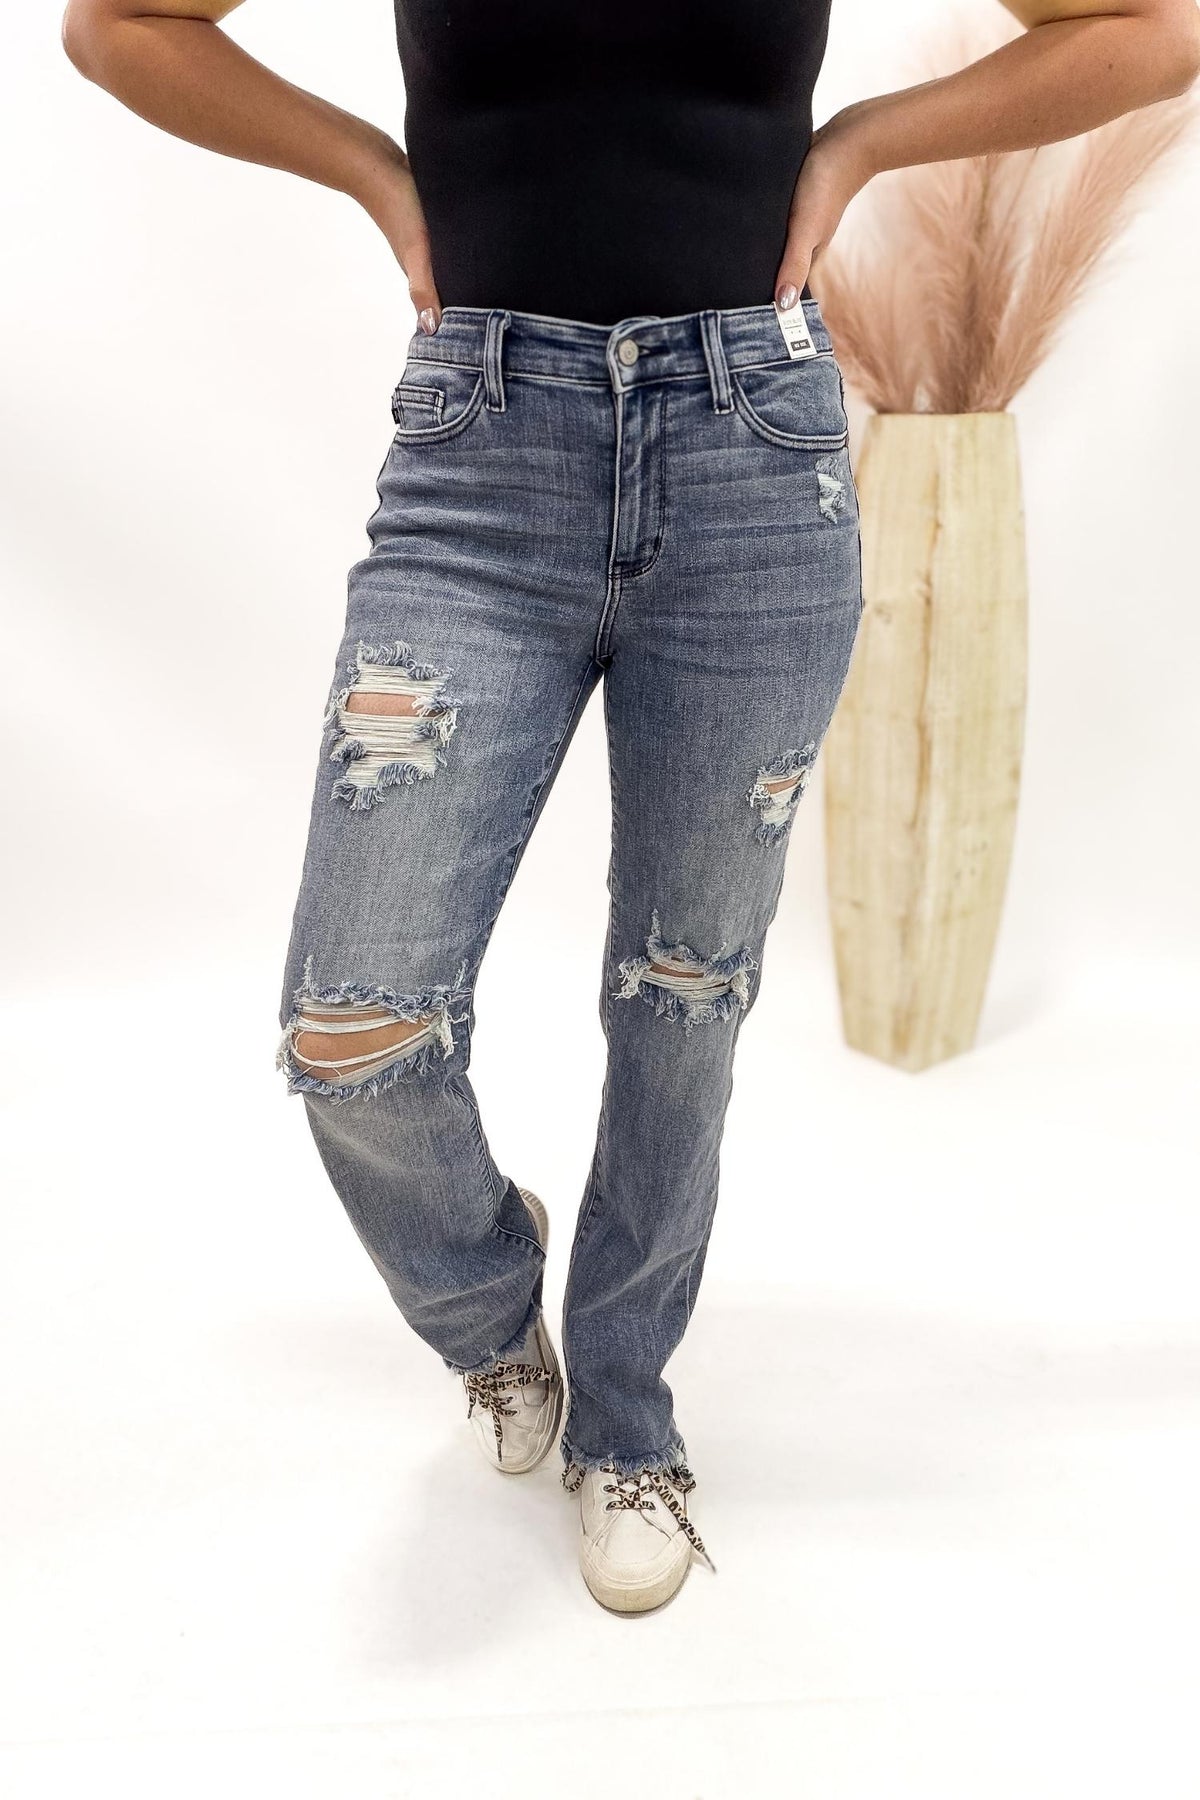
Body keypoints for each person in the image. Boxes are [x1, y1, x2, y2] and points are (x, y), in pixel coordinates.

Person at [63, 0, 1199, 1617]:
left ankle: (630, 1415)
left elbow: (1149, 37)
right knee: (354, 1024)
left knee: (685, 1000)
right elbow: (121, 31)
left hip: (754, 453)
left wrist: (864, 144)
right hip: (482, 464)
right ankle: (486, 1303)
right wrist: (380, 178)